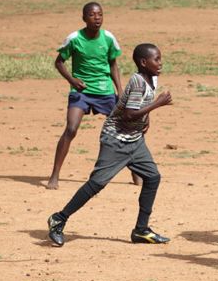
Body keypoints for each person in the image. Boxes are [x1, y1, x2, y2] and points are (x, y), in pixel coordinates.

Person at [47, 43, 173, 247]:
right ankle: (58, 219)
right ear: (143, 62)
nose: (160, 63)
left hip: (135, 140)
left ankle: (141, 230)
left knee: (152, 177)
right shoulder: (138, 81)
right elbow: (129, 113)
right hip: (116, 139)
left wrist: (147, 117)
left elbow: (139, 106)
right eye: (156, 59)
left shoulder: (152, 78)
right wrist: (157, 104)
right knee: (97, 183)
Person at [46, 1, 141, 190]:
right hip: (81, 91)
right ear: (84, 18)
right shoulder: (74, 38)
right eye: (92, 15)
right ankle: (54, 175)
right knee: (71, 129)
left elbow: (113, 64)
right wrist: (72, 81)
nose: (96, 18)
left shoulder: (108, 38)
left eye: (100, 14)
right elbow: (59, 62)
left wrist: (119, 91)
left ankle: (136, 172)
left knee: (125, 128)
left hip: (105, 91)